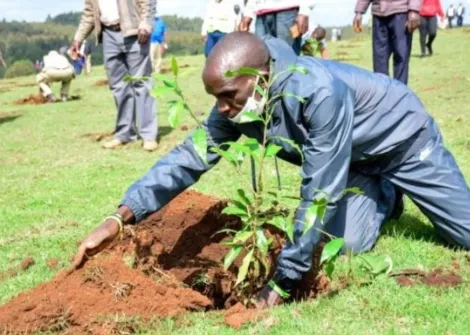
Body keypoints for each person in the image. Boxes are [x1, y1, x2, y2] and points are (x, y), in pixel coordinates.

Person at [72, 32, 470, 308]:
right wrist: (121, 215)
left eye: (228, 97)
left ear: (260, 78)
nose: (223, 109)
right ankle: (384, 194)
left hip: (402, 139)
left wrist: (282, 282)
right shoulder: (241, 104)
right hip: (352, 162)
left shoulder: (317, 93)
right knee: (346, 244)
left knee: (465, 233)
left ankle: (395, 183)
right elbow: (187, 158)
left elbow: (319, 193)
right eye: (216, 100)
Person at [71, 0, 158, 152]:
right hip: (108, 34)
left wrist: (145, 23)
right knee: (119, 86)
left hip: (135, 31)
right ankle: (125, 134)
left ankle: (148, 136)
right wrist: (78, 38)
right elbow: (89, 13)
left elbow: (147, 2)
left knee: (141, 83)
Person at [353, 0, 421, 85]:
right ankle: (382, 92)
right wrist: (359, 12)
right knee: (379, 57)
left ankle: (400, 92)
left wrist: (414, 10)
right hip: (378, 14)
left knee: (401, 54)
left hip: (401, 11)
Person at [239, 0, 311, 55]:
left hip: (287, 10)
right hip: (261, 11)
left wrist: (304, 11)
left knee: (287, 55)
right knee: (261, 54)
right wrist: (248, 12)